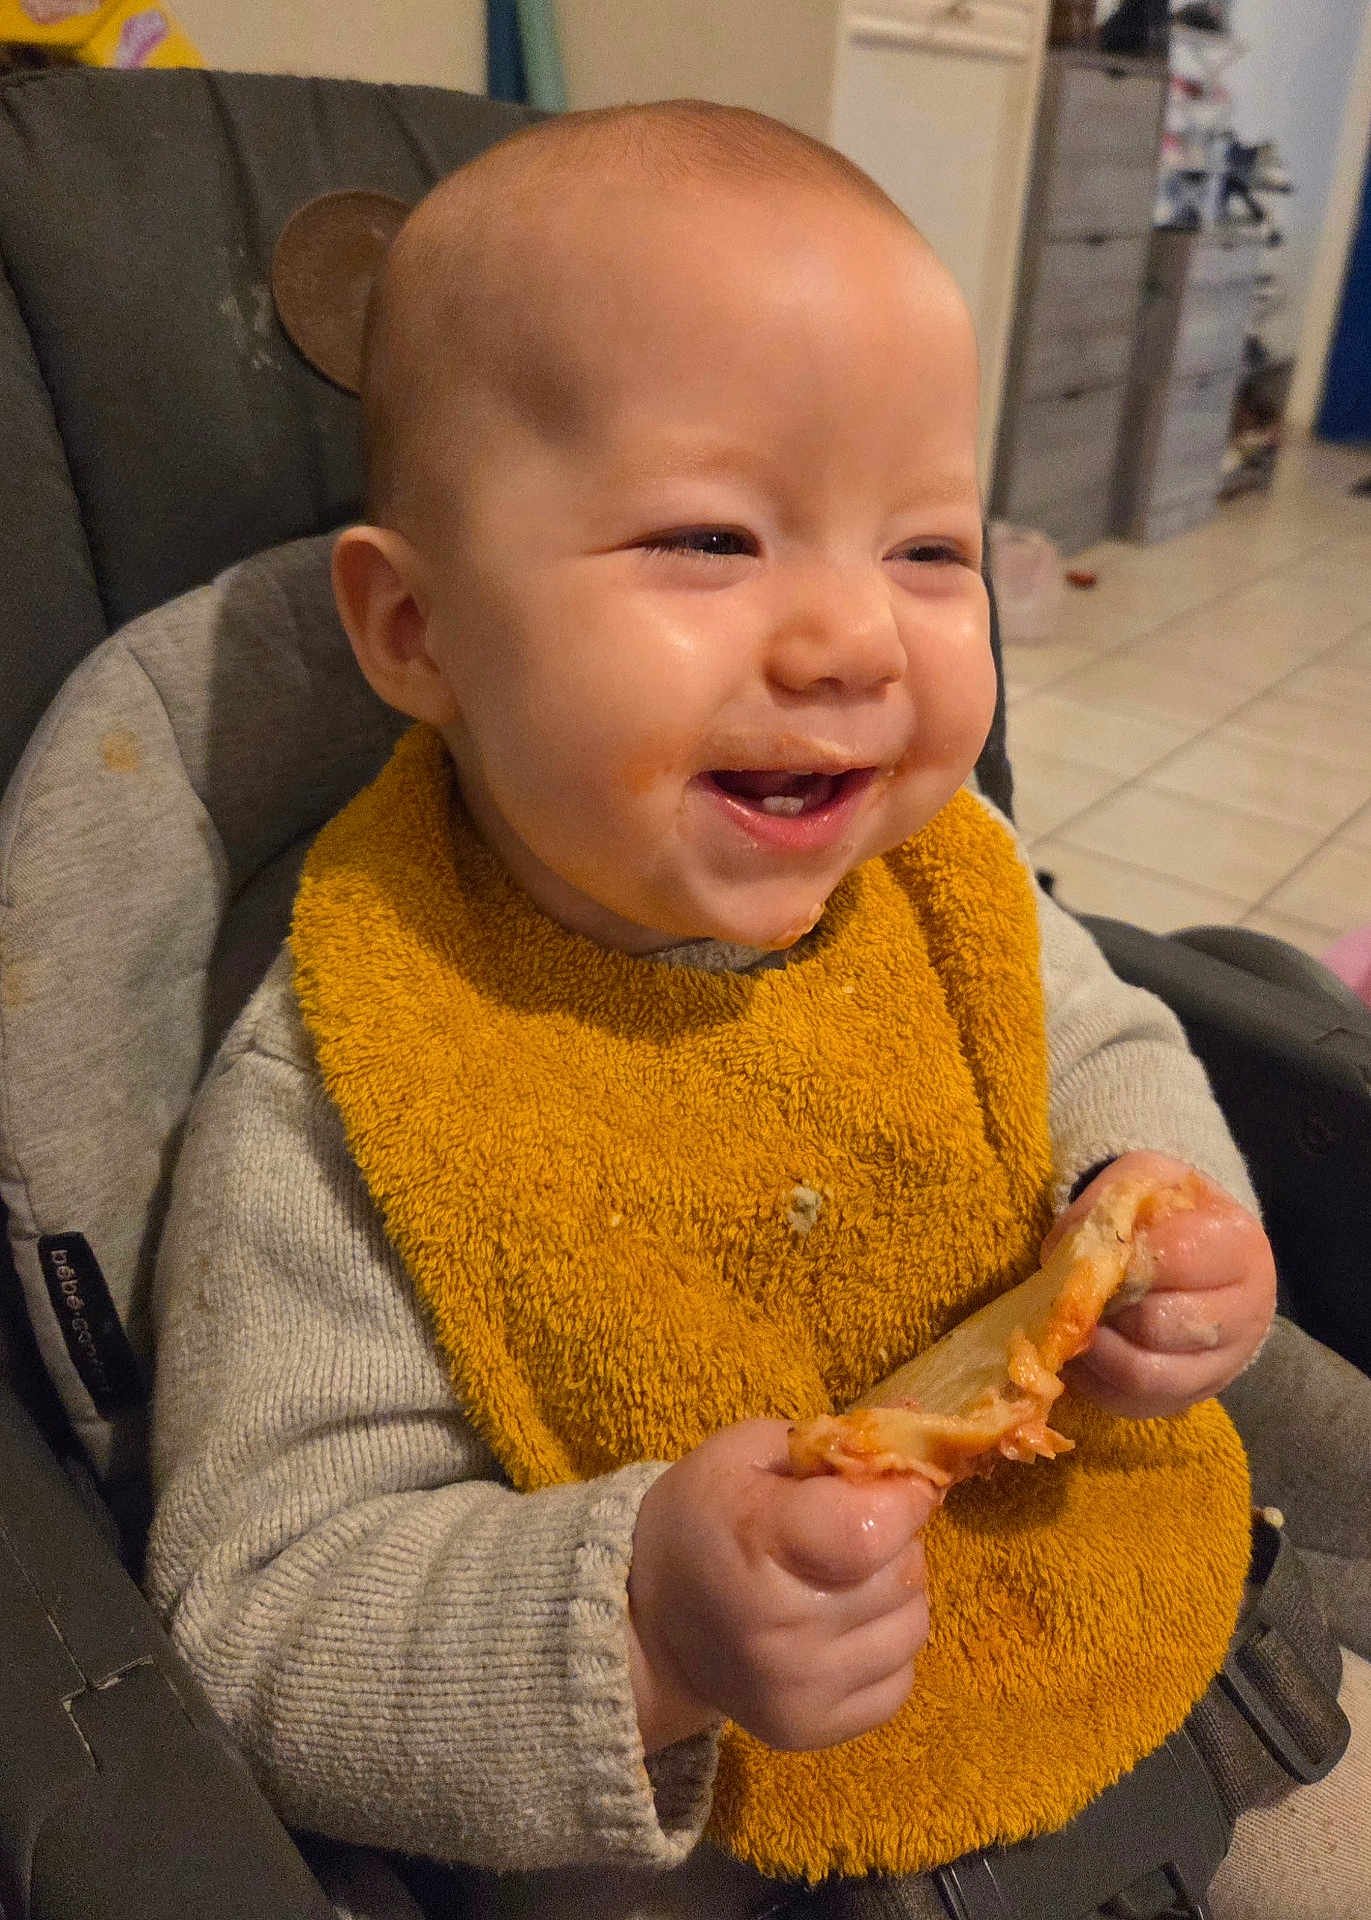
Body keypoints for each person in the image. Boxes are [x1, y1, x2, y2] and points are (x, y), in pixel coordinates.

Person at [145, 100, 1366, 1919]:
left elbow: (1104, 1048)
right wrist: (643, 1623)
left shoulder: (941, 881)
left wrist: (1165, 1201)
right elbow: (261, 1612)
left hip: (1149, 1651)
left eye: (931, 552)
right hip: (716, 1828)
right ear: (415, 633)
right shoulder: (358, 1070)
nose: (856, 642)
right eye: (712, 540)